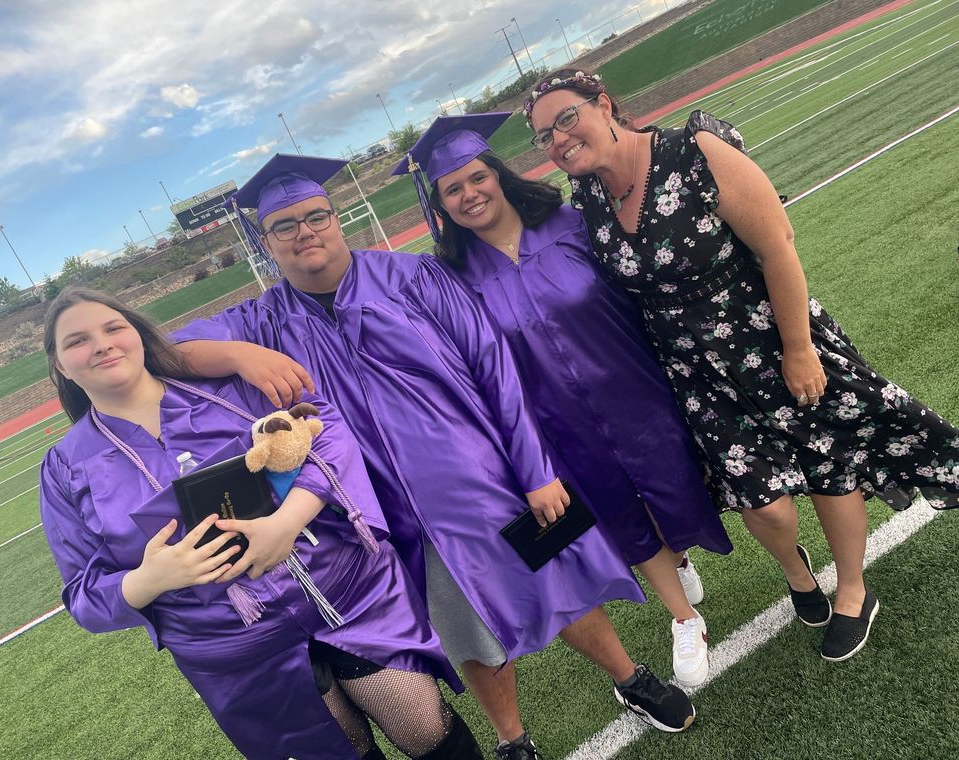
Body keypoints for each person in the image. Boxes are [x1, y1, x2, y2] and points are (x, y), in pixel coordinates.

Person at [173, 155, 697, 758]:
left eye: (315, 216)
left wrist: (535, 471)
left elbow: (495, 371)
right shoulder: (260, 323)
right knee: (464, 629)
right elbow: (161, 354)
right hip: (389, 516)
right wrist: (240, 356)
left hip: (488, 481)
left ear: (337, 218)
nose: (304, 233)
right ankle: (512, 740)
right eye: (285, 226)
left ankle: (630, 677)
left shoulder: (415, 277)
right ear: (266, 244)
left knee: (564, 585)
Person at [525, 68, 959, 662]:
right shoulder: (590, 200)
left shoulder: (694, 151)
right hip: (695, 374)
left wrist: (799, 347)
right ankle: (798, 572)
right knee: (763, 502)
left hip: (769, 340)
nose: (558, 139)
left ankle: (854, 589)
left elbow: (776, 242)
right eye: (543, 135)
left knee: (829, 461)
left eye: (566, 117)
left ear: (604, 104)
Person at [38, 287, 482, 760]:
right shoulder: (65, 468)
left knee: (423, 727)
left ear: (138, 335)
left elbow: (325, 432)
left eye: (113, 328)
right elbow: (83, 592)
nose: (103, 345)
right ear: (61, 366)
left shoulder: (231, 391)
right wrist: (148, 581)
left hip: (347, 592)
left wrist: (286, 523)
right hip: (233, 646)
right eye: (78, 341)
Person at [390, 112, 735, 688]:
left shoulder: (573, 224)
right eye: (452, 190)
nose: (469, 195)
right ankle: (684, 616)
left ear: (499, 175)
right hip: (552, 421)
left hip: (634, 388)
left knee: (676, 486)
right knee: (617, 512)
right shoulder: (450, 278)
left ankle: (681, 556)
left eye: (477, 178)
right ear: (441, 206)